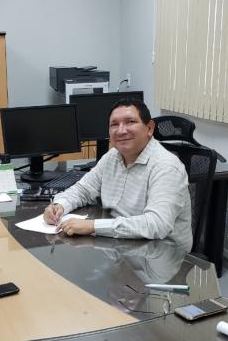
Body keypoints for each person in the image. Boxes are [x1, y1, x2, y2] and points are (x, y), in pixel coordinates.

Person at [42, 99, 193, 250]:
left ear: (149, 128)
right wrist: (60, 205)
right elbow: (83, 190)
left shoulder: (166, 167)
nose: (121, 130)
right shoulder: (113, 156)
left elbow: (156, 224)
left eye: (130, 122)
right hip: (121, 247)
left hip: (161, 254)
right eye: (114, 124)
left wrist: (93, 226)